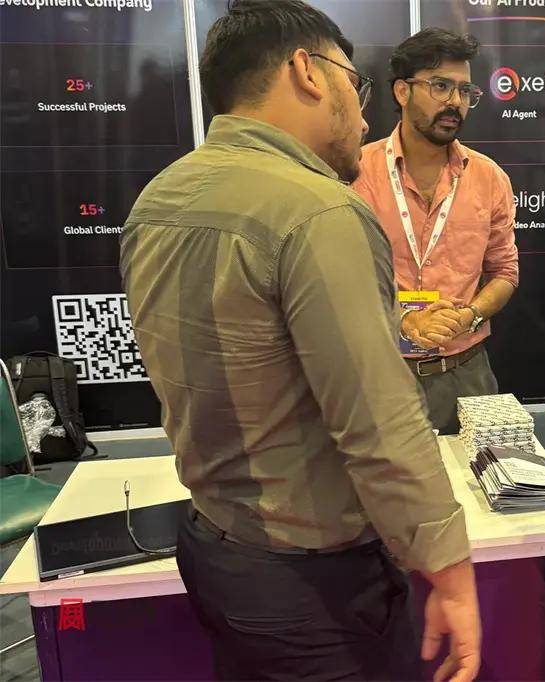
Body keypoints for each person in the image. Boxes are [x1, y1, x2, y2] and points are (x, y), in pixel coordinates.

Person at [120, 2, 480, 680]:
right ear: (306, 72)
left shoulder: (161, 196)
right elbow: (378, 421)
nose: (365, 117)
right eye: (355, 84)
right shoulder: (319, 211)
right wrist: (451, 570)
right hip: (313, 584)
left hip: (213, 545)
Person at [353, 28, 519, 436]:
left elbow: (504, 272)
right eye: (440, 86)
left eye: (464, 91)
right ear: (402, 91)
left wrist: (469, 315)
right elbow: (338, 278)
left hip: (466, 374)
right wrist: (405, 320)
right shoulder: (355, 173)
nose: (454, 102)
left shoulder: (489, 178)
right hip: (379, 374)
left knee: (479, 476)